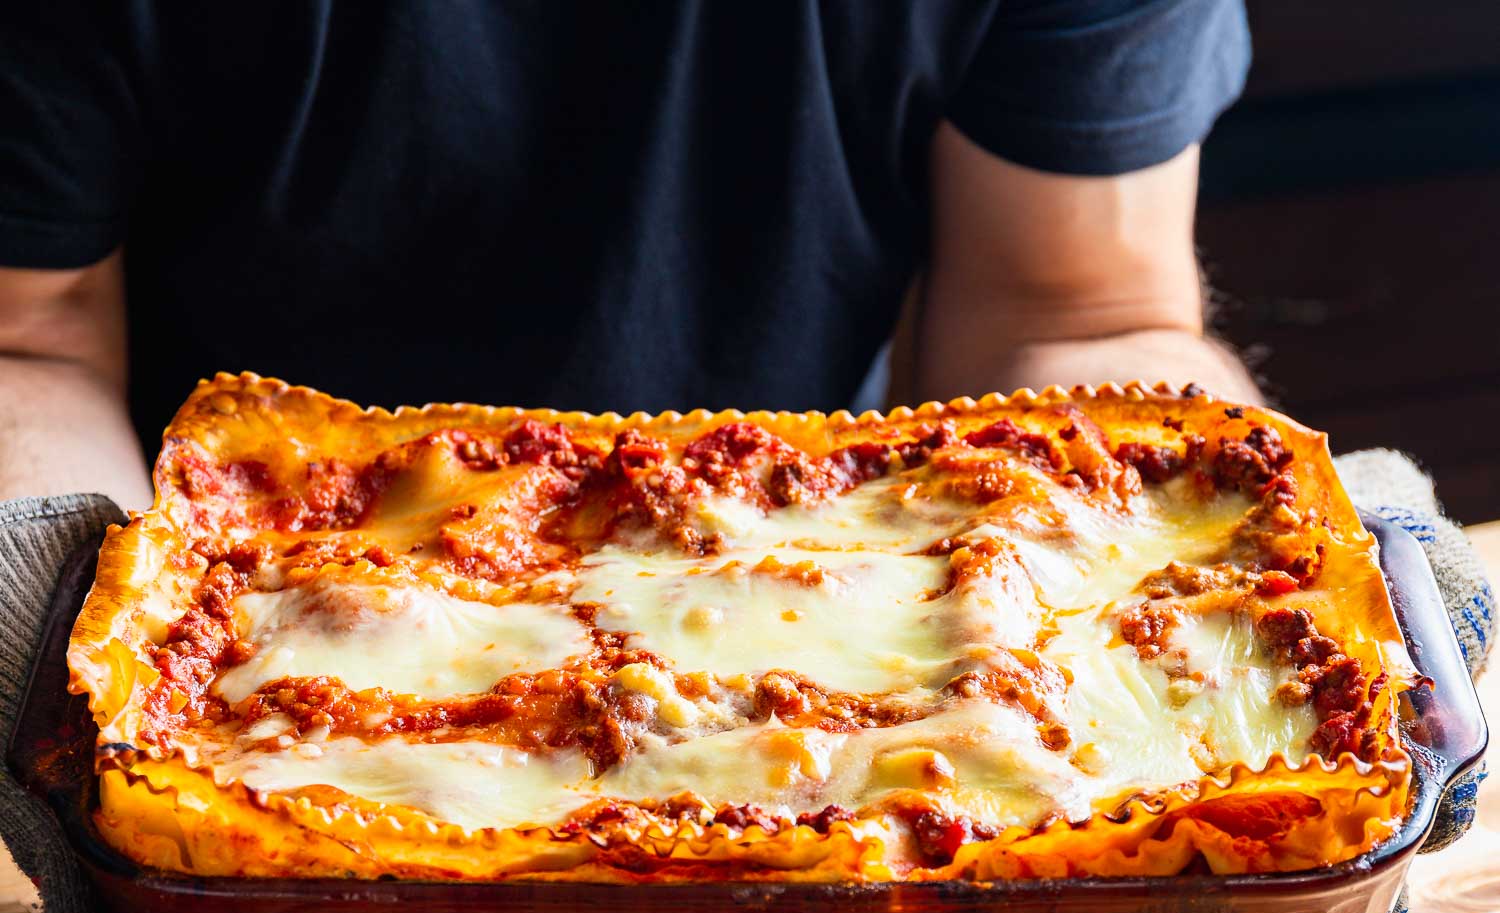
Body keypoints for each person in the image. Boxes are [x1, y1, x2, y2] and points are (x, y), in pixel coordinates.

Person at [0, 1, 1254, 510]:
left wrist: (1241, 540)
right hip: (260, 629)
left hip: (840, 612)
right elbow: (28, 339)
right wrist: (46, 626)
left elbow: (1076, 313)